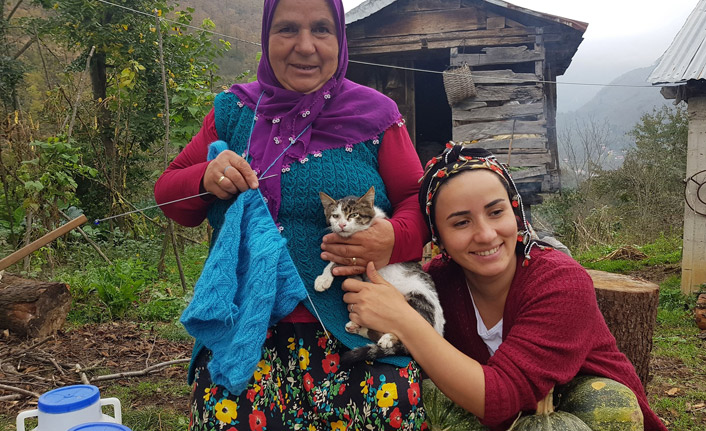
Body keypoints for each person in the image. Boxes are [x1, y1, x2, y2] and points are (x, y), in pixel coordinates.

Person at [153, 0, 430, 429]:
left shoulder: (377, 115)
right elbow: (169, 196)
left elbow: (419, 200)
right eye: (287, 30)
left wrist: (393, 237)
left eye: (322, 29)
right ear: (266, 37)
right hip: (245, 326)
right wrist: (205, 177)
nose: (306, 46)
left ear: (340, 39)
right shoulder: (233, 111)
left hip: (359, 324)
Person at [342, 143, 669, 431]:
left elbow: (502, 397)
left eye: (496, 212)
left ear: (515, 212)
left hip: (587, 419)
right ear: (438, 238)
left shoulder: (561, 283)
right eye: (461, 222)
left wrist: (405, 320)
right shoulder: (438, 283)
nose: (485, 234)